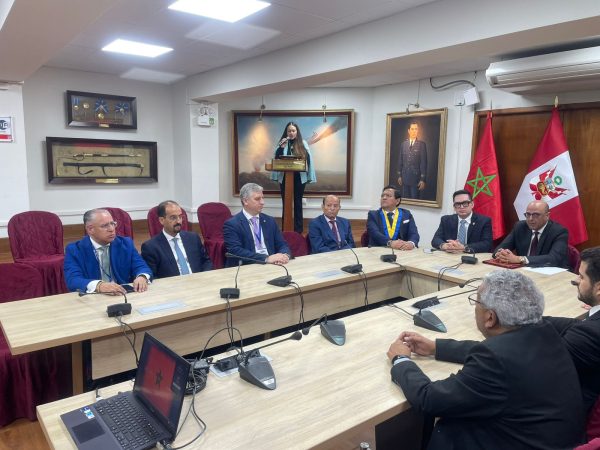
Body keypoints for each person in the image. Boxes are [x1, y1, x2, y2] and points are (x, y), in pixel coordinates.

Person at [387, 270, 584, 450]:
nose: (474, 307)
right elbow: (502, 351)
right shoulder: (545, 331)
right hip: (550, 438)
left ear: (490, 318)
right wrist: (436, 347)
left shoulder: (494, 360)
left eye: (476, 301)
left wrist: (401, 359)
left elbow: (429, 399)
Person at [545, 247, 600, 414]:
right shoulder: (591, 325)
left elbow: (541, 367)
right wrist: (522, 317)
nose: (576, 280)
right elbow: (572, 325)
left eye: (581, 277)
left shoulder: (590, 334)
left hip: (571, 413)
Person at [64, 208, 151, 294]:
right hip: (94, 296)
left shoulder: (125, 244)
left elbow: (142, 267)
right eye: (104, 226)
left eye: (112, 224)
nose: (111, 229)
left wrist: (142, 277)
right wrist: (99, 286)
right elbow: (72, 280)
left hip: (123, 293)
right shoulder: (75, 250)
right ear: (90, 229)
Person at [223, 182, 291, 267]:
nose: (262, 202)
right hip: (247, 266)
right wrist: (266, 258)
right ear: (245, 201)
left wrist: (284, 255)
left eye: (262, 198)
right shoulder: (232, 224)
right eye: (257, 199)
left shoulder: (270, 221)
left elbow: (282, 244)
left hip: (273, 265)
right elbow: (235, 251)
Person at [141, 201, 212, 279]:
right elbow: (152, 276)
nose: (178, 221)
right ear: (161, 220)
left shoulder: (193, 238)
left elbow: (206, 262)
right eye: (173, 217)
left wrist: (203, 278)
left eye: (180, 217)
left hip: (198, 281)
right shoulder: (151, 247)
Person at [271, 121, 316, 233]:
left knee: (298, 203)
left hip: (299, 178)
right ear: (286, 132)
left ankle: (298, 230)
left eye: (293, 130)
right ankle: (285, 229)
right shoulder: (283, 142)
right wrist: (281, 147)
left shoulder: (303, 143)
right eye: (289, 131)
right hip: (285, 177)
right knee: (286, 203)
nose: (291, 133)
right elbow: (276, 158)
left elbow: (308, 159)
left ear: (297, 132)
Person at [493, 200, 568, 267]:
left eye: (536, 215)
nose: (530, 219)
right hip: (523, 270)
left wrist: (520, 259)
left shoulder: (559, 232)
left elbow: (554, 259)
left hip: (550, 273)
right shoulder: (520, 227)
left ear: (547, 215)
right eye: (528, 214)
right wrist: (501, 254)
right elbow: (500, 248)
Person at [431, 189, 492, 253]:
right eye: (457, 204)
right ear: (454, 207)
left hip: (470, 256)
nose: (461, 207)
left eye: (465, 203)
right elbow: (435, 240)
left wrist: (464, 248)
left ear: (472, 204)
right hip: (450, 255)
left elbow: (487, 244)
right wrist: (444, 246)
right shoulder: (446, 220)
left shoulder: (484, 221)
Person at [367, 185, 419, 249]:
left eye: (388, 196)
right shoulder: (373, 215)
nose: (384, 198)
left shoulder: (406, 214)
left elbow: (414, 233)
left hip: (402, 250)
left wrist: (411, 243)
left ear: (397, 201)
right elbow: (375, 233)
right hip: (379, 249)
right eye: (382, 196)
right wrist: (390, 243)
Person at [397, 121, 427, 199]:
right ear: (409, 131)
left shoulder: (422, 145)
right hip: (404, 178)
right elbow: (400, 161)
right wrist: (399, 175)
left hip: (416, 179)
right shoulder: (403, 144)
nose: (414, 131)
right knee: (405, 200)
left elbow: (423, 163)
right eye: (412, 129)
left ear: (418, 131)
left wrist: (422, 179)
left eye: (416, 129)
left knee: (415, 200)